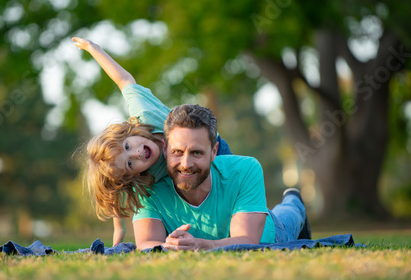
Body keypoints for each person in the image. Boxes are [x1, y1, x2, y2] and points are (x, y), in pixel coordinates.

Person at [72, 37, 232, 246]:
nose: (137, 153)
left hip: (213, 150)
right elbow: (115, 192)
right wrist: (119, 229)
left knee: (229, 193)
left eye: (128, 146)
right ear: (133, 174)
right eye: (130, 163)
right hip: (187, 182)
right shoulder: (150, 178)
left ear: (128, 133)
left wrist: (94, 49)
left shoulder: (144, 113)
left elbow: (124, 80)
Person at [133, 104, 311, 250]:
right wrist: (172, 246)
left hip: (270, 235)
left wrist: (198, 245)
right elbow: (146, 243)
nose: (186, 163)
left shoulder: (246, 169)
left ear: (214, 151)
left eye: (196, 153)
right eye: (177, 152)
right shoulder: (149, 190)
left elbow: (246, 240)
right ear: (165, 149)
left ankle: (294, 200)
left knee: (291, 213)